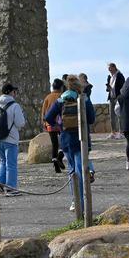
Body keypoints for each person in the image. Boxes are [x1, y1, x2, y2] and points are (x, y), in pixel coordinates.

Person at [45, 77, 88, 212]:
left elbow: (48, 117)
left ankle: (75, 201)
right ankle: (83, 202)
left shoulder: (60, 100)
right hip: (81, 139)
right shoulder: (83, 99)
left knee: (72, 170)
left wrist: (59, 126)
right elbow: (92, 118)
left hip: (66, 139)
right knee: (81, 170)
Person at [0, 83, 26, 196]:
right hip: (11, 138)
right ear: (10, 92)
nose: (15, 93)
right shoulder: (15, 106)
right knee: (11, 164)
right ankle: (11, 188)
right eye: (14, 91)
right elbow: (20, 123)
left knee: (3, 162)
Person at [41, 78, 66, 174]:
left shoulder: (47, 97)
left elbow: (44, 111)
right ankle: (60, 156)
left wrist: (44, 122)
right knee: (64, 142)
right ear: (61, 87)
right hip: (60, 123)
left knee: (54, 144)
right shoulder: (61, 97)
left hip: (49, 123)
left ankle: (55, 163)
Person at [106, 63, 126, 140]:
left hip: (118, 97)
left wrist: (119, 96)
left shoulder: (120, 76)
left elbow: (123, 87)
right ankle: (113, 133)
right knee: (112, 116)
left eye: (110, 69)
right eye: (108, 69)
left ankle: (121, 132)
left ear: (114, 67)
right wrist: (108, 88)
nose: (109, 70)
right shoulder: (109, 77)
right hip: (111, 97)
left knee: (119, 115)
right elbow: (108, 89)